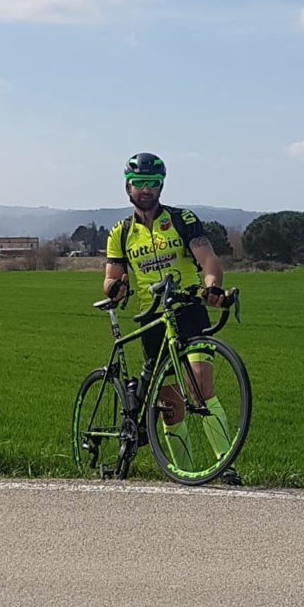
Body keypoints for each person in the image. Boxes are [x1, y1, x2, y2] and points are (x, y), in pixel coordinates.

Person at [104, 152, 240, 482]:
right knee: (168, 403)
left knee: (199, 385)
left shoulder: (182, 219)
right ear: (128, 187)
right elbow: (110, 278)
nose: (145, 190)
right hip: (151, 318)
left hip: (187, 309)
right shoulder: (120, 233)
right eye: (139, 184)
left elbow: (208, 261)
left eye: (151, 184)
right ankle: (184, 473)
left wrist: (212, 286)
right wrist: (116, 288)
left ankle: (225, 467)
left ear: (161, 185)